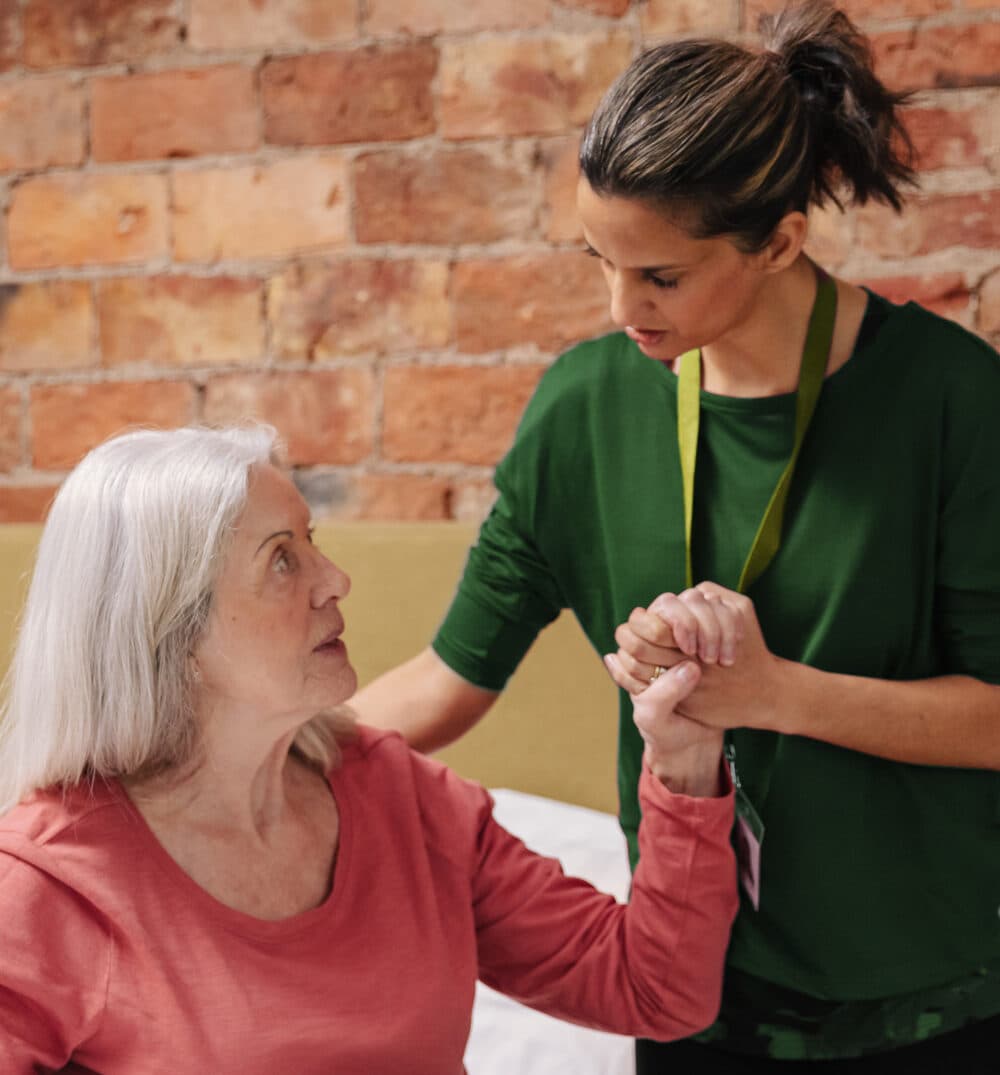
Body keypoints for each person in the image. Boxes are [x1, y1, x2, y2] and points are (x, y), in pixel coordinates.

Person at [353, 1, 1000, 1070]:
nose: (620, 307)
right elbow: (444, 678)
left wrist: (770, 693)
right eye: (600, 261)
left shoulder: (952, 399)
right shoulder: (585, 405)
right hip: (692, 999)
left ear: (780, 241)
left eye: (659, 276)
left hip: (934, 1004)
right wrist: (208, 763)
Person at [0, 424, 738, 1072]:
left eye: (311, 543)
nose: (336, 581)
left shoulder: (398, 794)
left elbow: (655, 989)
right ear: (175, 632)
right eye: (282, 559)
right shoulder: (50, 883)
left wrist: (684, 758)